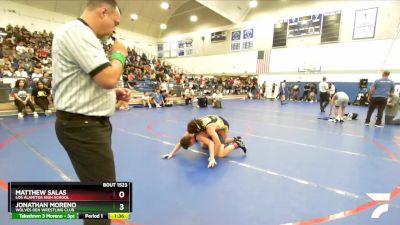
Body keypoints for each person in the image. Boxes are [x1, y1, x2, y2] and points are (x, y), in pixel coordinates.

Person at [52, 1, 129, 225]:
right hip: (83, 127)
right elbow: (108, 78)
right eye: (115, 22)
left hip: (87, 125)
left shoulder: (86, 37)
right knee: (102, 200)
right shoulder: (78, 32)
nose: (114, 29)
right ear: (103, 11)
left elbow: (85, 83)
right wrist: (119, 55)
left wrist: (114, 94)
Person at [162, 130, 246, 168]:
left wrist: (212, 158)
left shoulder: (198, 136)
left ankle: (237, 144)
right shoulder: (187, 134)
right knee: (203, 147)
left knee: (220, 154)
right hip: (212, 134)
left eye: (191, 144)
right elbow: (180, 143)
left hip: (218, 133)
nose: (192, 145)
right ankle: (235, 138)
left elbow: (211, 143)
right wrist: (171, 153)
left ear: (191, 139)